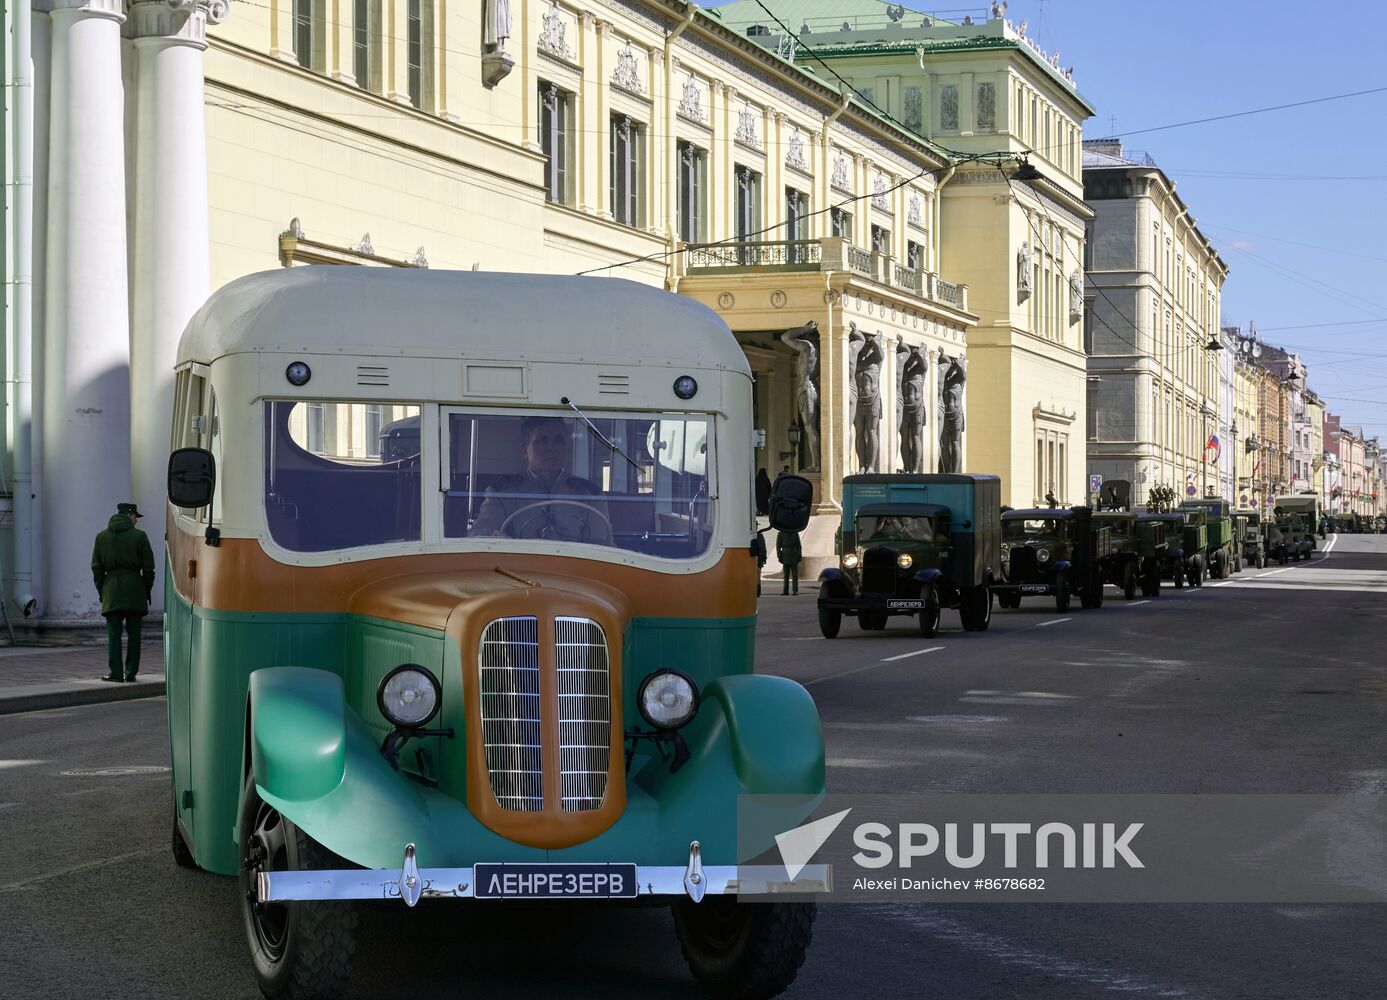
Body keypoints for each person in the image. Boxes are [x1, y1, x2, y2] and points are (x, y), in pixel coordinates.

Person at [471, 416, 610, 542]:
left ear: (567, 448)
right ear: (525, 450)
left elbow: (603, 545)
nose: (552, 447)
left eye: (558, 440)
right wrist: (498, 537)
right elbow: (481, 534)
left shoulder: (589, 494)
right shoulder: (503, 492)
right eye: (542, 440)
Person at [91, 502, 155, 682]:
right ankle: (131, 672)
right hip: (135, 588)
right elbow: (149, 568)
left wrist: (103, 589)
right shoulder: (140, 536)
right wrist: (146, 588)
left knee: (113, 635)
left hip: (111, 589)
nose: (136, 521)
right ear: (129, 515)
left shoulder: (101, 537)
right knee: (134, 634)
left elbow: (96, 568)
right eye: (136, 517)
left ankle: (116, 673)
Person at [777, 527, 802, 595]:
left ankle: (795, 590)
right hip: (786, 555)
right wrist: (779, 555)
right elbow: (778, 546)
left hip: (793, 555)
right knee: (786, 575)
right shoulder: (781, 533)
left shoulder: (795, 533)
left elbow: (798, 545)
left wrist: (799, 555)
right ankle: (785, 591)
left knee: (794, 575)